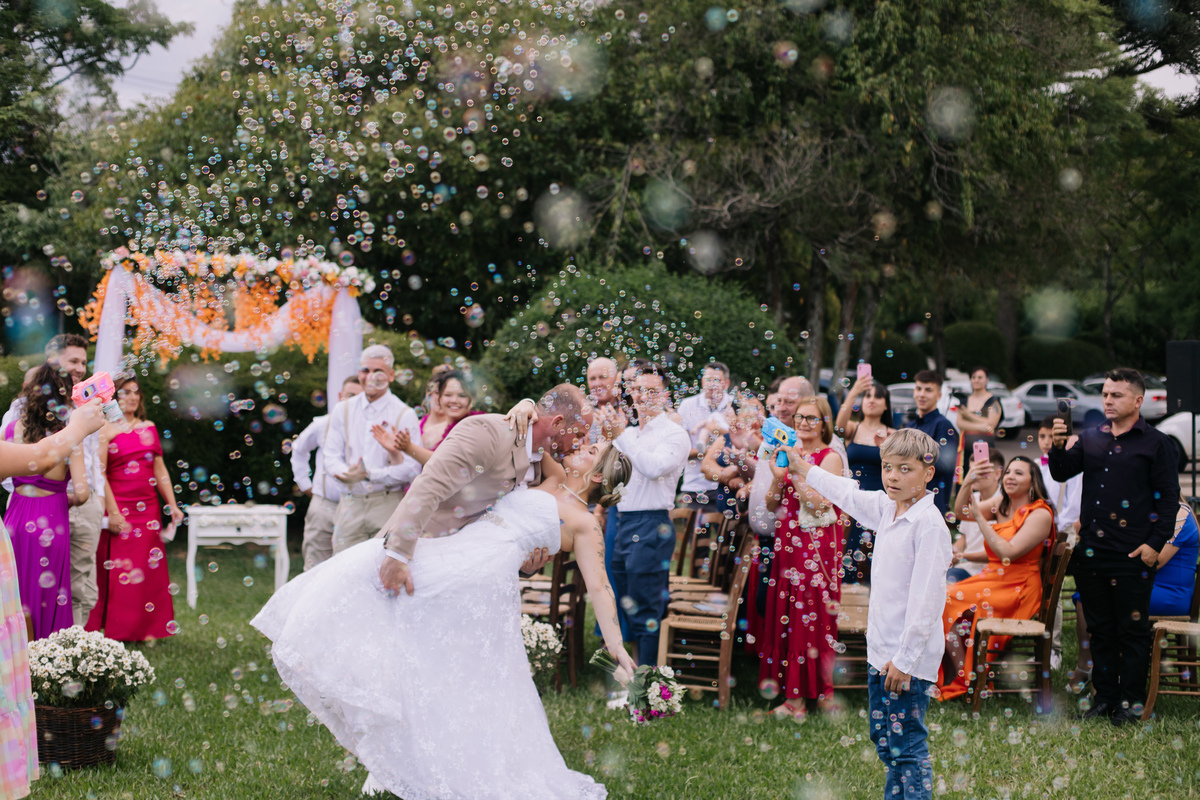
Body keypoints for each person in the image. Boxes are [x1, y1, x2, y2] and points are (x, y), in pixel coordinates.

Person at [252, 441, 635, 799]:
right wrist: (524, 404)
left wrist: (615, 644)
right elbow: (527, 435)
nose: (578, 446)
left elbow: (600, 587)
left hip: (480, 576)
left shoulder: (585, 524)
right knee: (374, 575)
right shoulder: (551, 476)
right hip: (455, 548)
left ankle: (419, 757)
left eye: (589, 450)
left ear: (597, 476)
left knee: (446, 664)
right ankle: (396, 752)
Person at [786, 428, 952, 800]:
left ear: (927, 472)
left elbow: (927, 603)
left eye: (904, 469)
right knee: (885, 740)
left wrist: (905, 661)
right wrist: (801, 466)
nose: (892, 476)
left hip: (904, 660)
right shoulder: (888, 508)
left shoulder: (929, 526)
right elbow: (847, 492)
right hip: (882, 653)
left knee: (907, 748)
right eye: (888, 467)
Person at [1050, 367, 1179, 725]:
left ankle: (1132, 702)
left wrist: (1155, 545)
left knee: (1132, 630)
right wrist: (1058, 447)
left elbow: (1168, 499)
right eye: (1105, 394)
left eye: (1116, 395)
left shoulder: (1157, 443)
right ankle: (1105, 698)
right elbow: (1061, 473)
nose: (1108, 400)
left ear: (1138, 400)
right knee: (1100, 630)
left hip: (1134, 553)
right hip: (1092, 552)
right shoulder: (1091, 438)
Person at [376, 384, 592, 596]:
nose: (580, 443)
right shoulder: (488, 433)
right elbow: (429, 486)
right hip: (416, 556)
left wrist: (527, 566)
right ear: (557, 422)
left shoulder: (538, 464)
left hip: (461, 577)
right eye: (580, 434)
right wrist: (398, 555)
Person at [0, 392, 105, 797]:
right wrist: (78, 426)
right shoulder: (59, 439)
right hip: (50, 519)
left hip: (18, 517)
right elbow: (45, 458)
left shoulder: (11, 428)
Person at [7, 334, 105, 628]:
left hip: (20, 512)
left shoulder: (15, 425)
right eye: (72, 362)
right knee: (56, 591)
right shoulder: (68, 426)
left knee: (23, 589)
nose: (78, 369)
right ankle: (55, 655)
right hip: (55, 510)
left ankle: (29, 657)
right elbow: (82, 489)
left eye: (82, 363)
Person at [938, 457, 1054, 701]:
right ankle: (958, 672)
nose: (1010, 476)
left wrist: (981, 519)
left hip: (1018, 587)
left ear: (1033, 482)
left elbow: (1007, 553)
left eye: (1019, 473)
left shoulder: (1040, 513)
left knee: (952, 599)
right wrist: (969, 480)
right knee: (943, 596)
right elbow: (960, 512)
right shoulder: (1003, 503)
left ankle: (966, 676)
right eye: (1008, 472)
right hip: (994, 578)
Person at [759, 396, 845, 717]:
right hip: (788, 541)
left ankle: (804, 698)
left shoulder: (829, 457)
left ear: (825, 423)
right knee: (790, 614)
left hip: (816, 544)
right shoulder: (790, 454)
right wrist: (778, 477)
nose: (804, 423)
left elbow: (821, 503)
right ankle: (792, 693)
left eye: (812, 418)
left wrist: (795, 470)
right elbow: (771, 504)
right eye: (799, 418)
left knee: (809, 612)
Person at [84, 377, 183, 641]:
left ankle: (144, 629)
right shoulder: (105, 430)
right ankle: (117, 630)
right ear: (113, 398)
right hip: (119, 507)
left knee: (146, 569)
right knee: (120, 571)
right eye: (125, 392)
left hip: (148, 509)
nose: (131, 397)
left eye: (136, 392)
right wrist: (113, 513)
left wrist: (172, 505)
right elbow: (100, 474)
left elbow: (159, 470)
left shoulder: (149, 427)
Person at [1069, 500, 1199, 695]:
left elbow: (1155, 560)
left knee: (1111, 598)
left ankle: (1110, 675)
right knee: (1086, 595)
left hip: (1169, 591)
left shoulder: (1180, 514)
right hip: (1142, 582)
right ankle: (1091, 665)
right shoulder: (1143, 511)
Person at [607, 364, 690, 666]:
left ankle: (648, 687)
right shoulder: (629, 433)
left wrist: (621, 437)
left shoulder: (675, 434)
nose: (642, 397)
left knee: (647, 611)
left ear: (666, 395)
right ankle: (636, 674)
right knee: (627, 603)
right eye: (638, 390)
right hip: (623, 521)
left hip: (651, 525)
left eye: (651, 391)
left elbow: (654, 468)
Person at [324, 345, 423, 555]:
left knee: (382, 570)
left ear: (391, 375)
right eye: (365, 370)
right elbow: (330, 455)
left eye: (378, 371)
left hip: (388, 504)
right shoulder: (343, 409)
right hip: (350, 504)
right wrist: (345, 473)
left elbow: (412, 468)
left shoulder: (404, 414)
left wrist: (370, 475)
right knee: (343, 570)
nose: (370, 377)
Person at [289, 376, 363, 571]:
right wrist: (305, 485)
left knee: (349, 567)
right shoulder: (323, 424)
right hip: (324, 505)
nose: (352, 401)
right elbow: (298, 450)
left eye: (358, 397)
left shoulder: (372, 429)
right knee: (315, 567)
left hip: (359, 507)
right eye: (349, 395)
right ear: (340, 397)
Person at [834, 375, 895, 583]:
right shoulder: (853, 428)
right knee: (848, 550)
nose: (871, 400)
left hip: (878, 501)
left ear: (886, 405)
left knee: (874, 555)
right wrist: (854, 392)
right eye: (867, 396)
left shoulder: (892, 435)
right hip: (851, 499)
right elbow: (838, 427)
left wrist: (887, 449)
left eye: (878, 397)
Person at [1035, 416, 1082, 671]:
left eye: (1050, 437)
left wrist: (1058, 532)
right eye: (1042, 437)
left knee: (1053, 588)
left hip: (1061, 535)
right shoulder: (1033, 467)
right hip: (1035, 535)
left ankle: (1053, 647)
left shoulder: (1072, 470)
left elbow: (1073, 508)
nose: (1045, 442)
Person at [392, 369, 481, 466]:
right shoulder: (434, 428)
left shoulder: (475, 426)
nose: (454, 400)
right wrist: (393, 451)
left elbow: (449, 465)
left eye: (462, 395)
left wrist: (409, 448)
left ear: (471, 400)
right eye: (448, 395)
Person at [678, 362, 733, 511]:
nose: (711, 384)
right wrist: (710, 452)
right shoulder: (687, 405)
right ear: (702, 381)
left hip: (727, 484)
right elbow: (680, 450)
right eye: (708, 379)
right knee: (693, 534)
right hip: (694, 486)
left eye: (717, 380)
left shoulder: (734, 405)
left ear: (726, 383)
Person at [699, 394, 764, 518]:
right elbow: (706, 466)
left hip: (754, 510)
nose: (751, 412)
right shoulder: (727, 438)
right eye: (746, 408)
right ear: (737, 414)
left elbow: (767, 470)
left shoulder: (767, 441)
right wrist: (726, 476)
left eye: (757, 408)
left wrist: (742, 481)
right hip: (725, 509)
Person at [945, 447, 1005, 583]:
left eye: (981, 470)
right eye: (972, 470)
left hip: (992, 571)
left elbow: (999, 551)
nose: (974, 475)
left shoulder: (1004, 502)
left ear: (997, 474)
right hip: (966, 567)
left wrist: (962, 556)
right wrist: (952, 550)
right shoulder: (973, 498)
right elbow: (965, 538)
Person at [904, 370, 958, 517]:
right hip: (908, 500)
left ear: (939, 395)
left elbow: (942, 465)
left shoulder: (943, 426)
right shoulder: (910, 425)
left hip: (931, 503)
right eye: (919, 388)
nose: (922, 394)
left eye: (928, 390)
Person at [953, 367, 1001, 484]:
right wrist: (981, 426)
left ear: (987, 379)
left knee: (983, 477)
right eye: (973, 377)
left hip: (985, 445)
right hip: (966, 446)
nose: (976, 380)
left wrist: (968, 415)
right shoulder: (964, 401)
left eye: (980, 377)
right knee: (965, 478)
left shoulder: (993, 401)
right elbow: (960, 423)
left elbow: (991, 425)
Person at [586, 356, 625, 444]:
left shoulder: (627, 410)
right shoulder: (582, 414)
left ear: (615, 379)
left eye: (603, 377)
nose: (597, 384)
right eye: (592, 379)